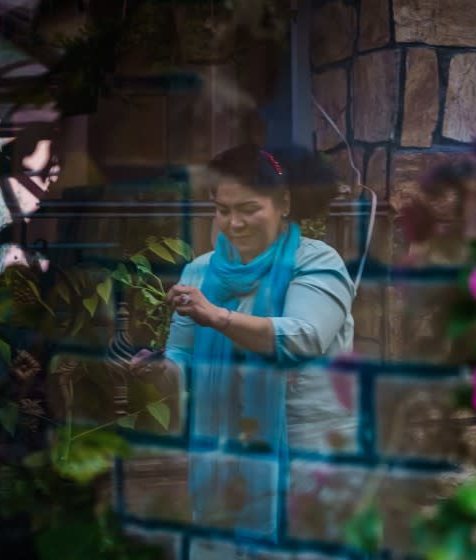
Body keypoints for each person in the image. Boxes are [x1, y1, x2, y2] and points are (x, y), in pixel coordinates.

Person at [160, 143, 355, 537]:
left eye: (249, 209)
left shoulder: (317, 262)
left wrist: (217, 316)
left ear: (284, 203)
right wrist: (150, 373)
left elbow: (304, 336)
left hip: (311, 458)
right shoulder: (198, 273)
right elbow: (180, 357)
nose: (234, 224)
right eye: (223, 210)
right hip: (227, 464)